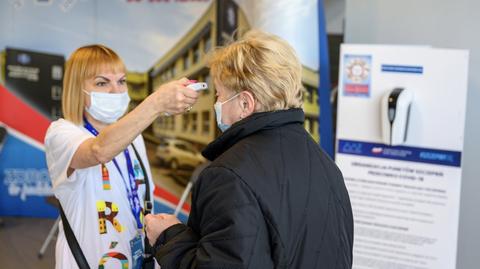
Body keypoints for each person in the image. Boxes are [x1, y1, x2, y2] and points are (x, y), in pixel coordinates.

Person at [144, 30, 354, 268]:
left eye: (219, 94)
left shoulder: (229, 176)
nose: (215, 104)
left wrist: (168, 236)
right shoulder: (325, 165)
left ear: (245, 103)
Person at [44, 44, 199, 269]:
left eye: (122, 81)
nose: (116, 91)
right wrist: (156, 103)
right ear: (77, 89)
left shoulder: (134, 138)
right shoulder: (62, 132)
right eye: (102, 82)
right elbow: (98, 150)